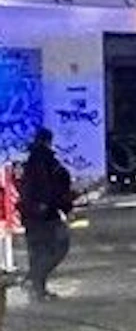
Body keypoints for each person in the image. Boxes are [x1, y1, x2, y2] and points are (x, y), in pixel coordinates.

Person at [18, 127, 76, 301]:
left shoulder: (29, 162)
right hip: (45, 215)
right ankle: (33, 281)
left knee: (37, 252)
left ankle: (37, 289)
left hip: (30, 215)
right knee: (58, 247)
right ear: (48, 141)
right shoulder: (47, 162)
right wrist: (66, 207)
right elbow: (53, 189)